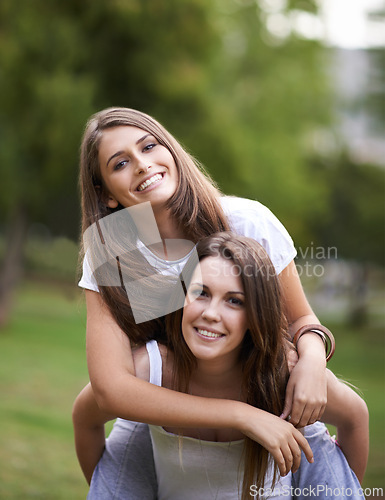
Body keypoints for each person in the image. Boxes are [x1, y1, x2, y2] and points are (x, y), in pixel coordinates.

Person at [75, 107, 368, 498]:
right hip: (163, 409)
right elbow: (111, 389)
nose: (143, 165)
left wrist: (313, 362)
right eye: (121, 163)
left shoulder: (244, 221)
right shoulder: (116, 251)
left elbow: (302, 321)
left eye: (149, 146)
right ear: (106, 194)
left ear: (172, 151)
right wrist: (240, 415)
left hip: (263, 386)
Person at [73, 233, 367, 499]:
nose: (211, 314)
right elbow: (85, 419)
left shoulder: (284, 374)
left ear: (255, 316)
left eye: (234, 301)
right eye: (201, 293)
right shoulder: (149, 370)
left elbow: (354, 416)